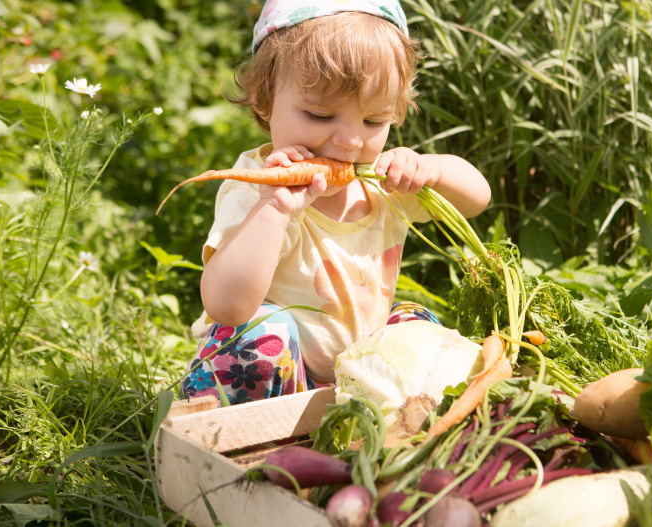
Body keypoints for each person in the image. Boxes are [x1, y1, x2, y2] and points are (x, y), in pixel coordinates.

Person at [180, 0, 491, 405]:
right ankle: (249, 438)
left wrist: (432, 169)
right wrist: (273, 213)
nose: (350, 141)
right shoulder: (256, 189)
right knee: (260, 336)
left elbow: (477, 199)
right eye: (320, 116)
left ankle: (388, 422)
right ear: (263, 98)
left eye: (374, 121)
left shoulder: (385, 186)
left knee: (416, 323)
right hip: (266, 385)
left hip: (353, 379)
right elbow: (227, 307)